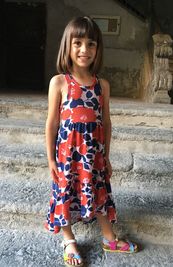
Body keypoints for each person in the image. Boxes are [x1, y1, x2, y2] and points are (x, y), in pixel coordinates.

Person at [45, 16, 138, 267]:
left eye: (91, 44)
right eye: (77, 43)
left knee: (98, 192)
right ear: (68, 45)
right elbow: (52, 122)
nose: (84, 49)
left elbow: (105, 123)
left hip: (93, 155)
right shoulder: (60, 82)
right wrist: (51, 158)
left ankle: (109, 238)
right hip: (67, 154)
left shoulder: (102, 85)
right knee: (65, 193)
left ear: (98, 49)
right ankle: (68, 240)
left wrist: (106, 156)